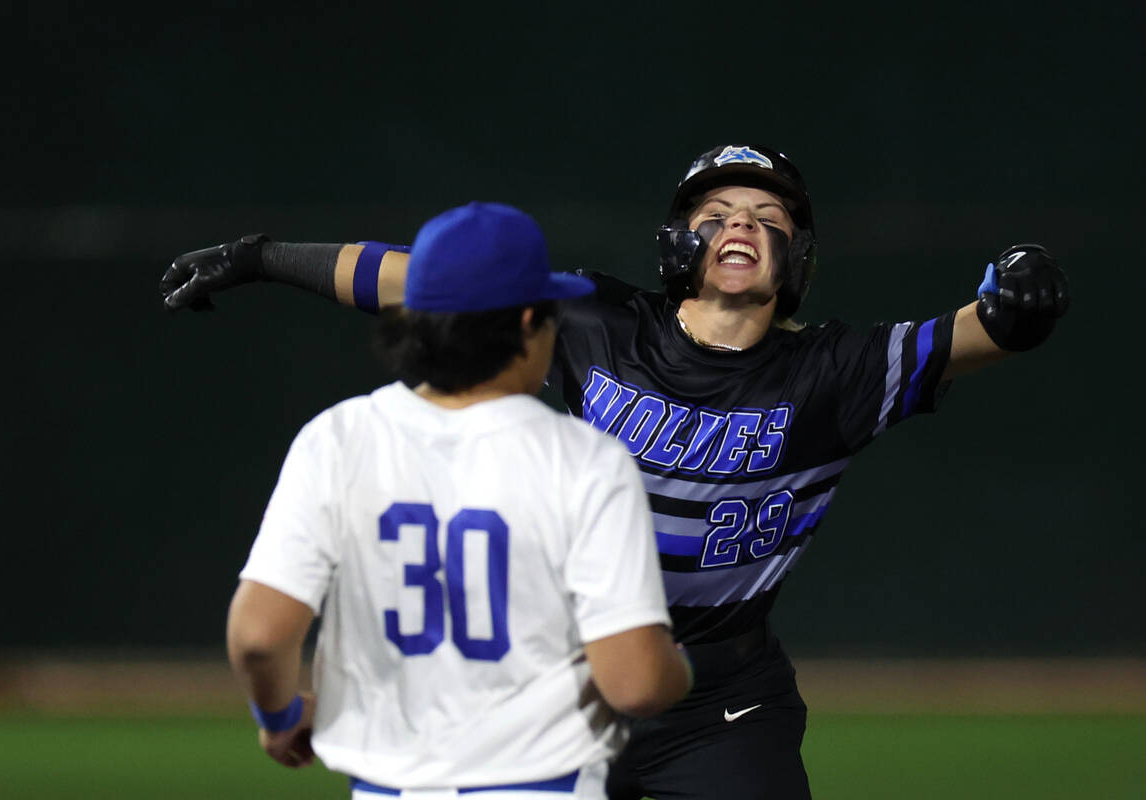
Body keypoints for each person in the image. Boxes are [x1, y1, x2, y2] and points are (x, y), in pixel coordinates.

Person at [173, 144, 1070, 800]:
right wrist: (264, 259)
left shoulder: (836, 371)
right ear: (677, 243)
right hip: (561, 687)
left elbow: (979, 332)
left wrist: (1018, 301)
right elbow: (429, 278)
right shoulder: (601, 320)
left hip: (720, 702)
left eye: (768, 220)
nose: (742, 228)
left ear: (797, 260)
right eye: (717, 216)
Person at [224, 201, 694, 800]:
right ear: (530, 321)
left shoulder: (338, 439)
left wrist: (278, 719)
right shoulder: (585, 460)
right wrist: (683, 667)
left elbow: (258, 635)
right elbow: (635, 684)